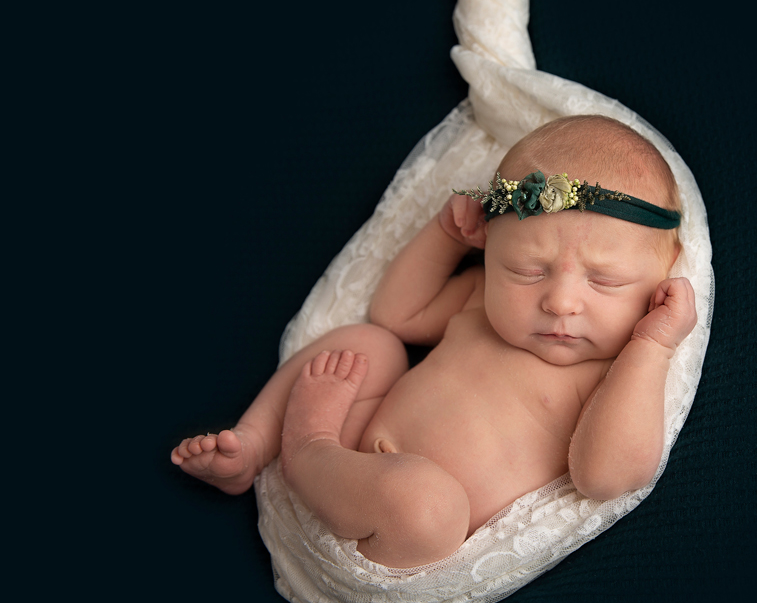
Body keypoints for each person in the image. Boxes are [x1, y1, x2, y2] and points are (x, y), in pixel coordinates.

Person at [172, 115, 697, 569]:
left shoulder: (610, 375)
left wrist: (653, 347)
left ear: (662, 277)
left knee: (430, 507)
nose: (560, 302)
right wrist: (446, 238)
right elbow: (396, 314)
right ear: (490, 253)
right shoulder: (478, 300)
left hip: (405, 527)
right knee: (366, 345)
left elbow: (607, 477)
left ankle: (304, 449)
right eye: (526, 271)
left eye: (603, 281)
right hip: (358, 448)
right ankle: (254, 444)